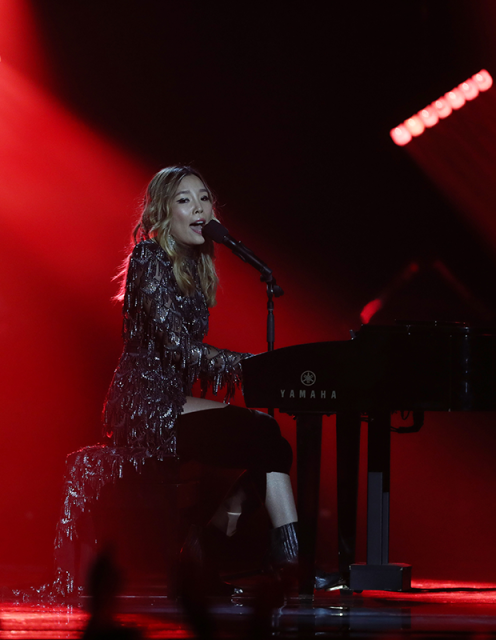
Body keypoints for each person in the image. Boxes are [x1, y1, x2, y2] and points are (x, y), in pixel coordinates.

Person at [101, 165, 302, 594]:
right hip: (144, 402)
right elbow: (178, 348)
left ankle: (250, 549)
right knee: (265, 434)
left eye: (204, 199)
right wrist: (252, 367)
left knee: (272, 439)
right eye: (184, 200)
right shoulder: (149, 257)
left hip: (172, 395)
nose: (199, 209)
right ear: (162, 212)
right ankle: (274, 553)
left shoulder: (196, 267)